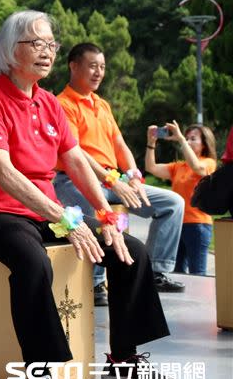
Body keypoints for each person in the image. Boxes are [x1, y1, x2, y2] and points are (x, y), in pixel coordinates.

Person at [0, 10, 175, 379]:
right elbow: (2, 172)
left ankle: (124, 360)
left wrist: (106, 213)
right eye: (36, 44)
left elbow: (76, 161)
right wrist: (62, 216)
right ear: (12, 50)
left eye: (51, 44)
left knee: (130, 250)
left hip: (44, 211)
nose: (47, 52)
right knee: (32, 262)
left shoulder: (48, 103)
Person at [53, 42, 185, 304]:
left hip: (114, 181)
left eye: (102, 67)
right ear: (73, 66)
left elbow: (119, 144)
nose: (98, 72)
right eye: (92, 66)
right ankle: (96, 283)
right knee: (96, 211)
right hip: (76, 179)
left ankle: (156, 271)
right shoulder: (62, 104)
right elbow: (76, 152)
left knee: (173, 203)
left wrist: (133, 176)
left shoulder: (102, 105)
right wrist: (111, 181)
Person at [145, 122, 216, 275]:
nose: (189, 141)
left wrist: (181, 140)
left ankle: (200, 299)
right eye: (187, 138)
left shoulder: (208, 163)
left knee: (197, 273)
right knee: (176, 272)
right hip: (177, 225)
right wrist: (151, 144)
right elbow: (151, 167)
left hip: (198, 226)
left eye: (193, 139)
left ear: (204, 144)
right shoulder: (178, 167)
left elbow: (197, 168)